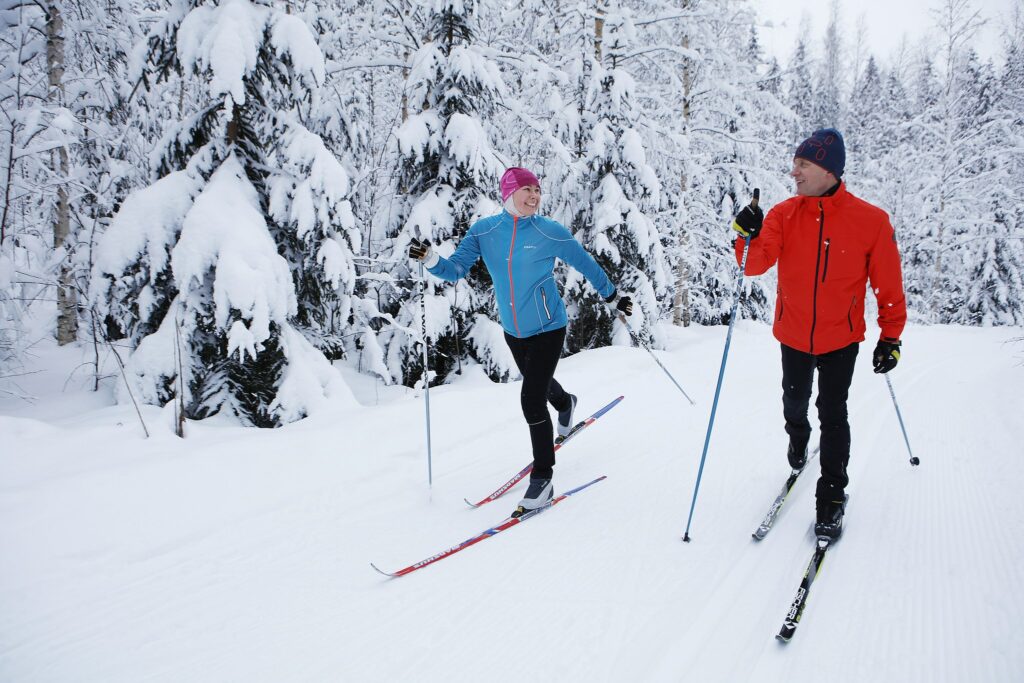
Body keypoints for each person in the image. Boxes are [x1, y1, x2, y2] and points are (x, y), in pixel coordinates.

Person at [409, 167, 633, 517]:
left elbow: (584, 262)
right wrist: (431, 259)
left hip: (549, 326)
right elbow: (455, 270)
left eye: (537, 191)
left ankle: (543, 478)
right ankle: (565, 403)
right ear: (508, 193)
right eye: (526, 189)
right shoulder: (485, 232)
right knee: (539, 385)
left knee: (530, 398)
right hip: (513, 330)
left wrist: (612, 296)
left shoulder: (548, 231)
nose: (534, 196)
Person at [731, 128, 907, 540]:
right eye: (795, 163)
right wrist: (744, 234)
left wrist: (891, 337)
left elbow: (888, 284)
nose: (794, 172)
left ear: (829, 169)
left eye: (803, 164)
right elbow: (754, 266)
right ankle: (797, 439)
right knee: (794, 401)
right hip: (792, 332)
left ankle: (831, 497)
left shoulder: (871, 221)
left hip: (840, 338)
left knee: (833, 412)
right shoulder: (783, 214)